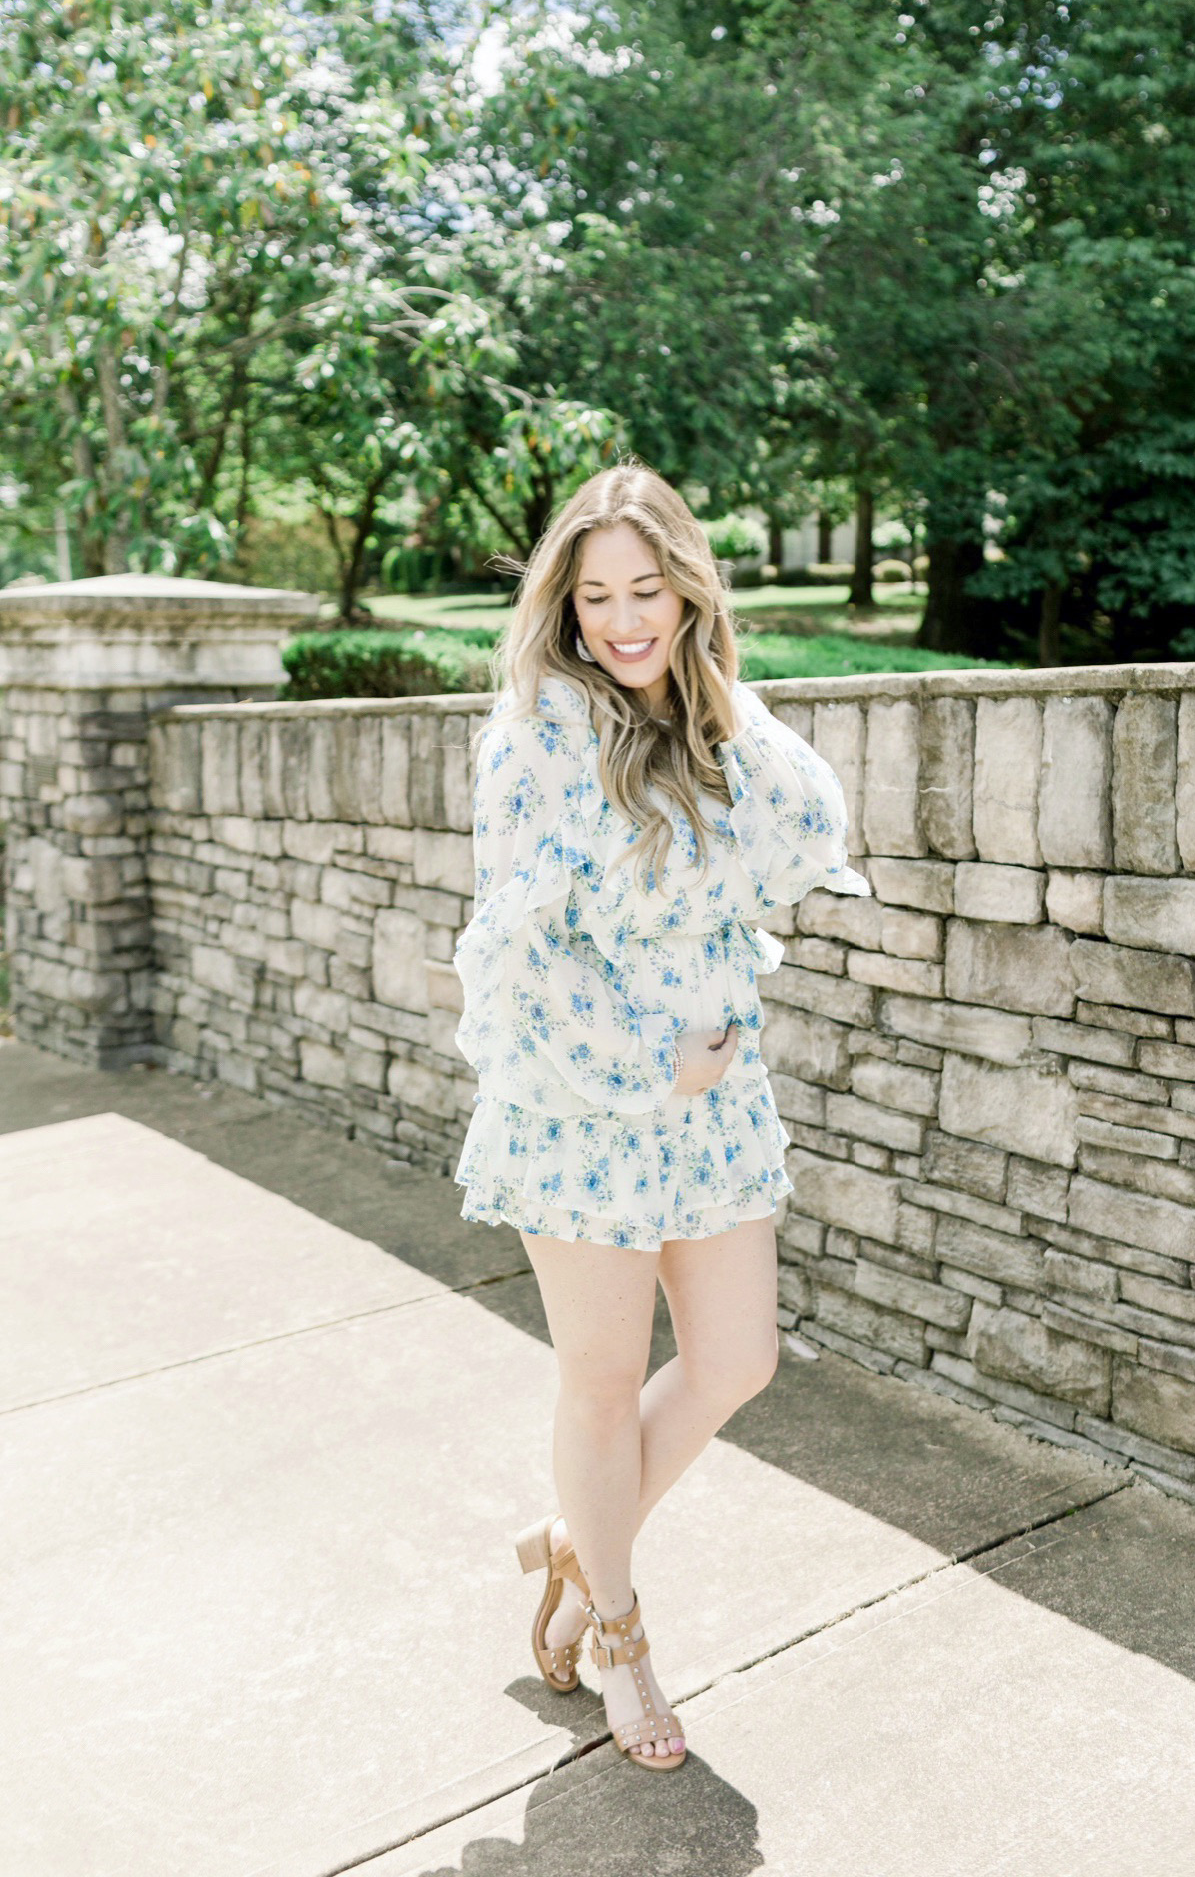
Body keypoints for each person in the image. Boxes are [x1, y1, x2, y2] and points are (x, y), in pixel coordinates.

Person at [452, 463, 870, 1771]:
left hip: (711, 1106)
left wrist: (717, 697)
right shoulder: (536, 731)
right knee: (599, 1381)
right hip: (577, 1101)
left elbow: (806, 831)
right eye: (597, 597)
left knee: (737, 1358)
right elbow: (514, 946)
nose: (624, 621)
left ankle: (580, 1533)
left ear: (686, 593)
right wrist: (645, 1055)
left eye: (649, 591)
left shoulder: (711, 721)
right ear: (564, 609)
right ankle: (612, 1628)